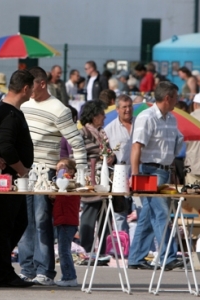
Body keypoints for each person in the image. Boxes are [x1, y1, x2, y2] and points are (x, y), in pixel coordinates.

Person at [19, 66, 87, 285]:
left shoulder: (59, 109)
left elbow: (77, 143)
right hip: (24, 170)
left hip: (46, 171)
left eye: (31, 85)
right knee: (25, 221)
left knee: (41, 220)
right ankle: (26, 268)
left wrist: (82, 174)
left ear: (42, 84)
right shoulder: (24, 105)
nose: (27, 89)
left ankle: (45, 271)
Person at [0, 70, 34, 288]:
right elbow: (7, 148)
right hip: (7, 178)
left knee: (17, 222)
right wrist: (22, 170)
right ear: (26, 88)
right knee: (6, 224)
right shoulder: (8, 114)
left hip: (11, 177)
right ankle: (2, 271)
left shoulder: (11, 111)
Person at [128, 81, 184, 271]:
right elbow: (137, 146)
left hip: (163, 171)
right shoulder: (147, 117)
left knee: (147, 216)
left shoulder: (171, 119)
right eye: (176, 97)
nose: (178, 101)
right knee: (161, 213)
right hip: (149, 171)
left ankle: (135, 257)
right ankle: (168, 257)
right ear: (168, 98)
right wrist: (135, 176)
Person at [79, 100, 115, 256]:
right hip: (91, 178)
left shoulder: (102, 133)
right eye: (101, 114)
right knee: (90, 211)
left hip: (104, 178)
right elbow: (81, 154)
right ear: (93, 116)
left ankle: (103, 252)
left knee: (104, 214)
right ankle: (85, 250)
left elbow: (109, 151)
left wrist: (110, 156)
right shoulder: (83, 133)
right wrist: (100, 157)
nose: (104, 116)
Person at [104, 95, 134, 232]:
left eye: (130, 106)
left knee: (140, 212)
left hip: (139, 175)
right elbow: (106, 153)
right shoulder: (109, 130)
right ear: (117, 109)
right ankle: (123, 248)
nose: (128, 110)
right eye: (124, 107)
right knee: (120, 215)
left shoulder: (140, 125)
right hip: (119, 177)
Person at [53, 158, 80, 287]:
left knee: (64, 250)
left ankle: (69, 276)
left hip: (67, 220)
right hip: (63, 219)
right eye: (58, 168)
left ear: (71, 170)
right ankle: (68, 275)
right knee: (64, 249)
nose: (59, 171)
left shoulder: (71, 184)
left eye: (62, 168)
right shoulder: (62, 184)